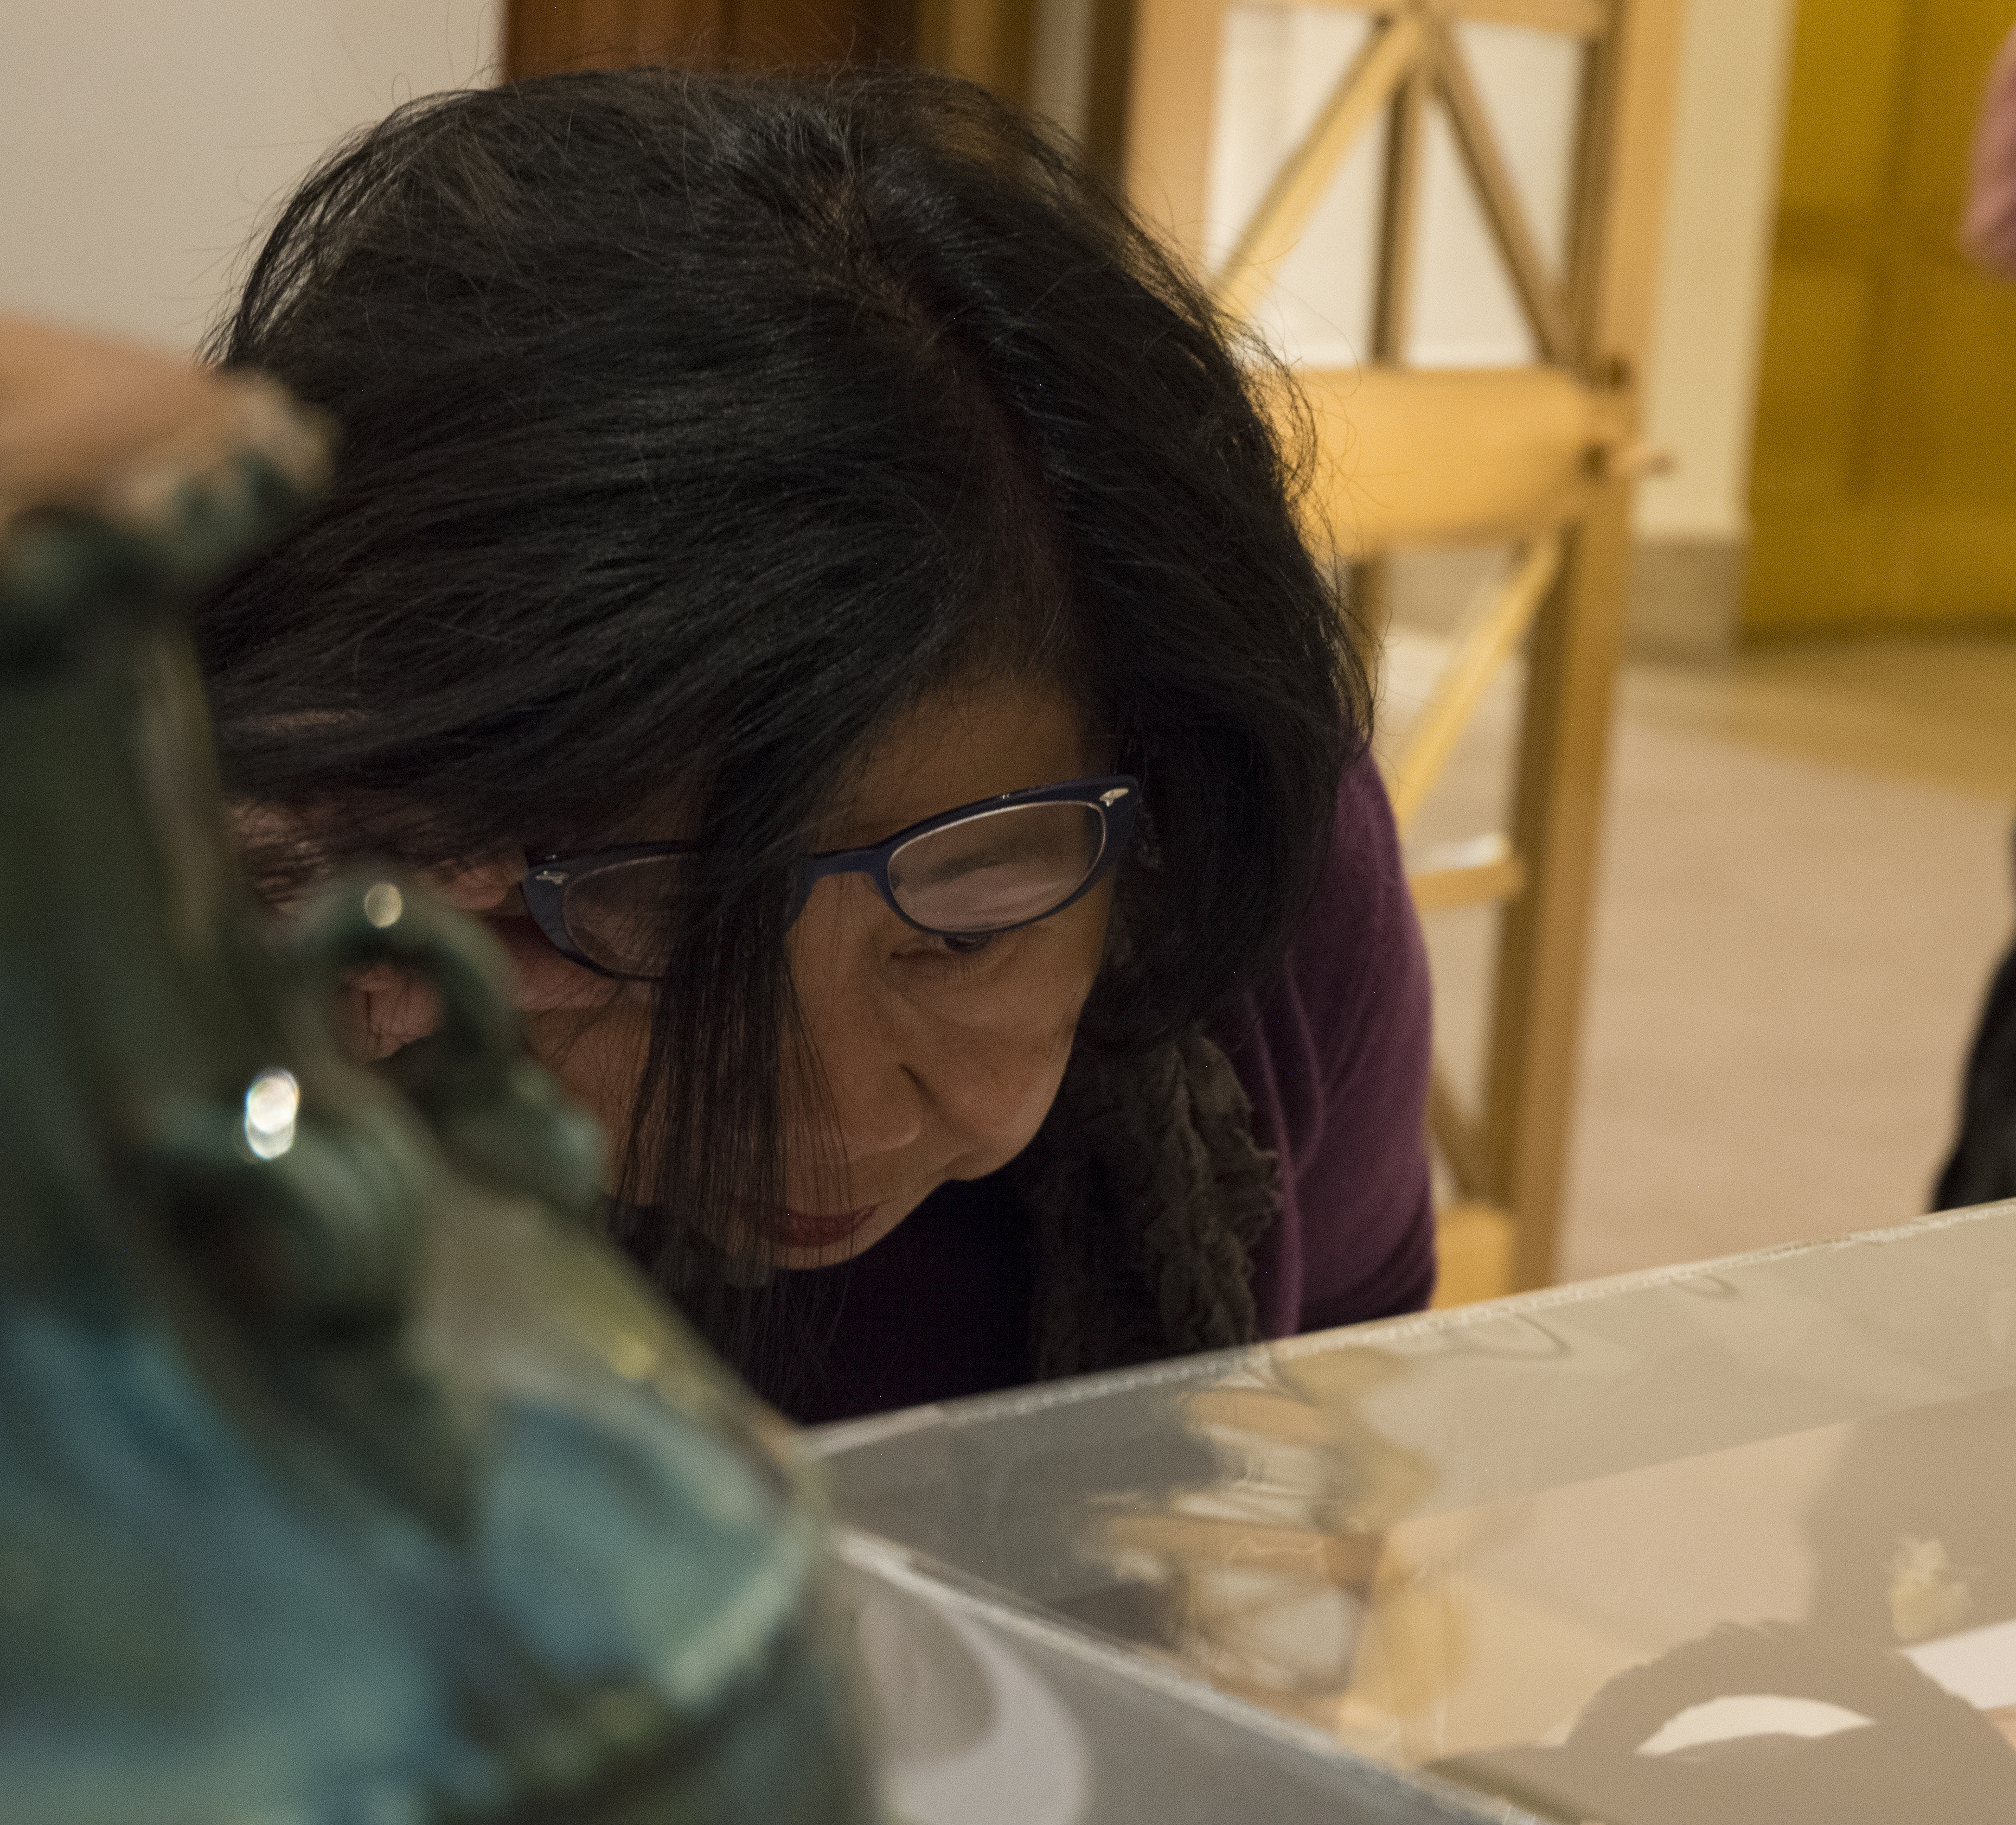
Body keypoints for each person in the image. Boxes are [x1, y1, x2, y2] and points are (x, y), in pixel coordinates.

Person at [196, 66, 1435, 1422]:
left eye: (969, 924)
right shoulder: (210, 948)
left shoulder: (1251, 860)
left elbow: (1334, 1446)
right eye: (662, 918)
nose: (837, 1120)